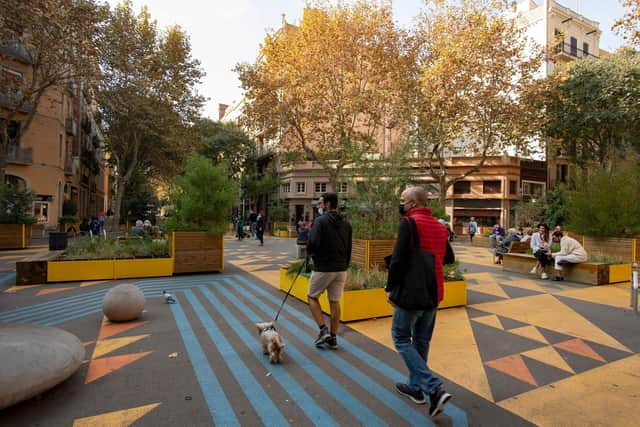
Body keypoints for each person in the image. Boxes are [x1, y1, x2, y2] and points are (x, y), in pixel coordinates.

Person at [385, 186, 452, 418]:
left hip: (411, 293)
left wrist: (390, 288)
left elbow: (398, 260)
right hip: (434, 293)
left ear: (413, 203)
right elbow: (449, 257)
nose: (400, 204)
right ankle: (416, 388)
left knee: (401, 338)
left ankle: (433, 387)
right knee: (422, 341)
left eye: (403, 200)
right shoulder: (440, 227)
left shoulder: (409, 223)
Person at [307, 192, 352, 350]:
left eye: (320, 203)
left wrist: (311, 254)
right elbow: (349, 247)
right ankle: (333, 338)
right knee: (335, 301)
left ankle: (323, 330)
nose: (319, 206)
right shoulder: (346, 224)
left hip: (324, 267)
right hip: (341, 268)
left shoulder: (320, 221)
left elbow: (312, 243)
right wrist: (345, 264)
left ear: (327, 204)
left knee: (312, 297)